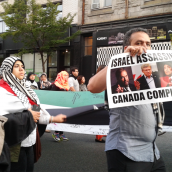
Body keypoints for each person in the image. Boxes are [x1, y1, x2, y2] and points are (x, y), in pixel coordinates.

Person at [87, 28, 166, 172]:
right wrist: (122, 58)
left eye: (148, 44)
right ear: (127, 47)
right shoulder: (120, 74)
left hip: (152, 153)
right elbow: (92, 86)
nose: (144, 47)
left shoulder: (153, 75)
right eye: (139, 43)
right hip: (127, 153)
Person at [0, 56, 67, 172]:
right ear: (7, 70)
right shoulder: (2, 91)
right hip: (14, 143)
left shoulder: (28, 90)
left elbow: (36, 112)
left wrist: (52, 119)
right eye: (16, 66)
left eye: (22, 66)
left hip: (30, 141)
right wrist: (28, 115)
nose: (21, 69)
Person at [46, 71, 69, 142]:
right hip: (57, 105)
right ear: (61, 76)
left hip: (64, 105)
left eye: (67, 75)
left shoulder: (66, 84)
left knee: (63, 119)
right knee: (58, 119)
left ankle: (61, 134)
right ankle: (56, 133)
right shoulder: (55, 85)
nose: (67, 77)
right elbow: (52, 96)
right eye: (65, 75)